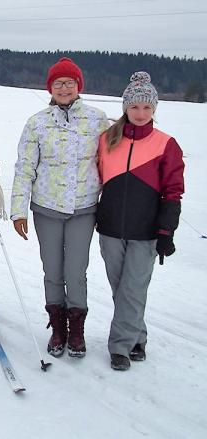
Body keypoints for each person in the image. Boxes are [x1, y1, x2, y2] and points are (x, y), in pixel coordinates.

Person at [10, 57, 110, 358]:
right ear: (50, 88)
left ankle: (76, 331)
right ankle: (58, 328)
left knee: (76, 271)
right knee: (52, 271)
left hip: (84, 209)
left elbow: (108, 165)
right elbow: (25, 167)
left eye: (69, 82)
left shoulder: (97, 119)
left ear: (78, 85)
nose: (64, 88)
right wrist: (19, 210)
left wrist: (105, 207)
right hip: (46, 208)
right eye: (58, 83)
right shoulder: (37, 122)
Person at [97, 72, 184, 371]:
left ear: (155, 109)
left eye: (147, 107)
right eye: (135, 107)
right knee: (121, 288)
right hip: (109, 228)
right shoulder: (107, 140)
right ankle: (137, 337)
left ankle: (119, 347)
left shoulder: (166, 145)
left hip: (146, 232)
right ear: (125, 108)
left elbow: (174, 191)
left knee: (133, 288)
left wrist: (166, 231)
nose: (141, 113)